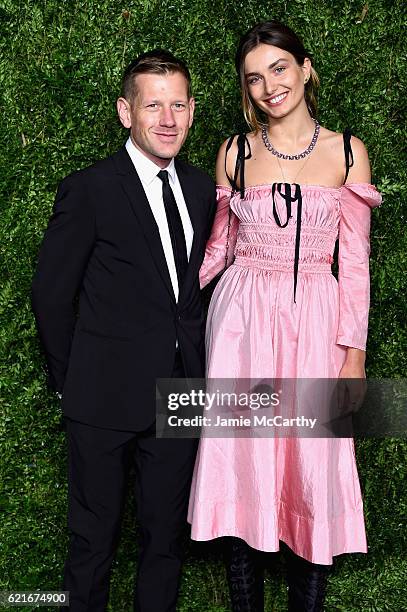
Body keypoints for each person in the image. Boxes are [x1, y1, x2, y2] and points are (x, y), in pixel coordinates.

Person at [188, 21, 381, 611]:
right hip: (242, 326)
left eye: (278, 68)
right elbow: (217, 249)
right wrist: (156, 298)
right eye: (255, 78)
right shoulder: (234, 153)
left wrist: (354, 357)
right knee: (243, 456)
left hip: (318, 328)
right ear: (247, 91)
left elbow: (355, 267)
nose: (270, 85)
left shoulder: (348, 152)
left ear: (305, 68)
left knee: (312, 462)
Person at [31, 49, 216, 612]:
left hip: (178, 395)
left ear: (190, 112)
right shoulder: (89, 189)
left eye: (178, 105)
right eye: (153, 104)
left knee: (164, 543)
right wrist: (75, 383)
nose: (167, 118)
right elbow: (51, 296)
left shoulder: (204, 188)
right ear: (125, 112)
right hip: (101, 399)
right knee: (92, 542)